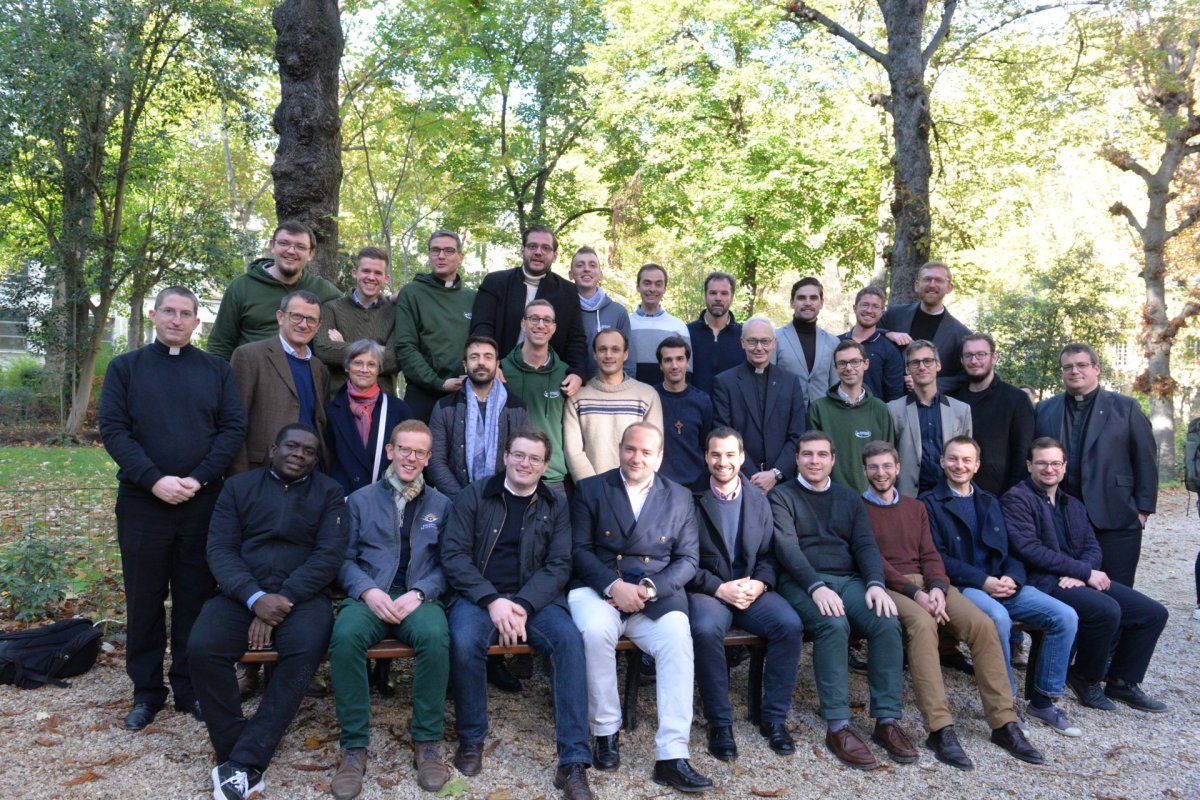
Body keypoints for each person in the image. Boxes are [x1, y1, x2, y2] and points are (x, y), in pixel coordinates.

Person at [98, 286, 247, 731]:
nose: (177, 320)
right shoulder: (126, 368)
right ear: (153, 315)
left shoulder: (217, 371)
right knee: (144, 600)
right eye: (169, 311)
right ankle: (146, 692)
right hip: (143, 502)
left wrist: (198, 478)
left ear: (197, 322)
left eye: (186, 314)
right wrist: (154, 479)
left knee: (194, 601)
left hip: (201, 504)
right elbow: (114, 429)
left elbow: (232, 428)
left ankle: (188, 688)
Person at [188, 424, 347, 800]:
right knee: (202, 648)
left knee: (305, 649)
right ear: (273, 448)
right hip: (240, 592)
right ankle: (239, 751)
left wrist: (282, 598)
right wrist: (255, 598)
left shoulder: (330, 493)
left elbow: (328, 556)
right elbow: (220, 550)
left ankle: (245, 758)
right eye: (292, 446)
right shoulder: (238, 488)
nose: (300, 454)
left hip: (303, 597)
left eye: (309, 451)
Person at [861, 441, 1043, 768]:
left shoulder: (915, 508)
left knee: (983, 625)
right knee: (923, 625)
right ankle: (940, 727)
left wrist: (937, 588)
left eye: (887, 465)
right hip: (889, 586)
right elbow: (872, 560)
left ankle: (1004, 722)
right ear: (864, 470)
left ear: (898, 468)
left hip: (930, 584)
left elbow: (931, 555)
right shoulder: (858, 508)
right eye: (873, 467)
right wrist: (916, 593)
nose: (881, 473)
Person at [440, 429, 594, 800]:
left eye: (535, 459)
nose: (526, 464)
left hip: (534, 601)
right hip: (478, 597)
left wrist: (523, 605)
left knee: (570, 642)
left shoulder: (555, 504)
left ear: (545, 465)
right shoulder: (474, 496)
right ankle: (472, 738)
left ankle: (572, 761)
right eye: (519, 455)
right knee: (463, 641)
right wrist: (492, 600)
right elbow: (454, 556)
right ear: (506, 457)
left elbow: (559, 565)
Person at [569, 423, 712, 793]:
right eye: (631, 449)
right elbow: (579, 550)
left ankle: (672, 755)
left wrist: (649, 589)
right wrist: (614, 585)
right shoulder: (591, 489)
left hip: (655, 593)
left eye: (647, 452)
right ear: (620, 448)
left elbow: (688, 559)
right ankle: (605, 732)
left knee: (679, 638)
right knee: (596, 632)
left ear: (660, 456)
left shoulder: (680, 496)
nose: (637, 458)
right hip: (599, 587)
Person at [769, 431, 916, 771]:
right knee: (832, 624)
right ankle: (837, 725)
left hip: (848, 580)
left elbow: (865, 545)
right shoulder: (782, 496)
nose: (814, 461)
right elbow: (787, 549)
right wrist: (815, 586)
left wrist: (876, 584)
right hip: (801, 582)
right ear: (797, 459)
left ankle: (886, 720)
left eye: (822, 455)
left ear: (833, 459)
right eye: (807, 455)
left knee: (885, 622)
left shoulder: (849, 499)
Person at [328, 420, 453, 798]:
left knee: (436, 637)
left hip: (418, 597)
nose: (410, 458)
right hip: (371, 594)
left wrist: (421, 591)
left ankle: (428, 743)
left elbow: (450, 563)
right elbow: (341, 558)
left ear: (429, 458)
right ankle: (353, 747)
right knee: (345, 636)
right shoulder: (360, 500)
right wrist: (366, 591)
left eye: (419, 452)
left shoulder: (442, 505)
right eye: (404, 449)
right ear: (390, 451)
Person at [921, 437, 1080, 733]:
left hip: (1004, 583)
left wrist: (1013, 577)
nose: (960, 465)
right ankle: (1004, 703)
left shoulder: (990, 501)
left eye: (967, 460)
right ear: (942, 462)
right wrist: (984, 581)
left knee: (1065, 615)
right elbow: (937, 557)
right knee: (997, 618)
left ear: (977, 465)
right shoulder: (928, 504)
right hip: (965, 586)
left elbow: (1011, 552)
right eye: (953, 459)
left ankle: (1043, 700)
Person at [1002, 437, 1169, 715]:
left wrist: (1084, 573)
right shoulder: (1016, 499)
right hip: (1043, 581)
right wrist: (1081, 571)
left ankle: (1121, 681)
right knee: (1105, 610)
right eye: (1042, 462)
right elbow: (1028, 549)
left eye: (1056, 463)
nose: (1049, 469)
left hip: (1075, 578)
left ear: (1065, 467)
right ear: (1029, 465)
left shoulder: (1072, 503)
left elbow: (1092, 546)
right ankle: (1084, 677)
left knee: (1151, 613)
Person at [689, 428, 803, 761]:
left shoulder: (759, 499)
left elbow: (768, 554)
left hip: (751, 590)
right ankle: (720, 723)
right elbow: (683, 561)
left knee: (789, 624)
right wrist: (718, 587)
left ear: (741, 458)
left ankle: (774, 719)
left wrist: (761, 584)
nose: (722, 462)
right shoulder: (690, 498)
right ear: (706, 457)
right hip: (709, 590)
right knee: (706, 629)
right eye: (715, 454)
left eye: (729, 455)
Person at [1034, 343, 1157, 587]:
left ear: (1096, 368)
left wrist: (1142, 512)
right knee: (1070, 591)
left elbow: (1146, 459)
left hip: (1115, 516)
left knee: (1117, 589)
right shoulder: (1045, 409)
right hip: (1061, 516)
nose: (1074, 371)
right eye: (1067, 367)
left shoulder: (1125, 407)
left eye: (1081, 365)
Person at [470, 225, 587, 391]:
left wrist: (577, 372)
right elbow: (482, 327)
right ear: (522, 250)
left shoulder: (567, 291)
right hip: (498, 376)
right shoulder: (496, 282)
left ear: (554, 255)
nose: (538, 252)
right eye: (532, 246)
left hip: (547, 381)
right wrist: (489, 363)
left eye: (546, 248)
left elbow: (576, 339)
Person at [229, 290, 331, 475]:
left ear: (318, 326)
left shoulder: (319, 368)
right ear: (280, 317)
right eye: (296, 316)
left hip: (309, 472)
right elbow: (234, 422)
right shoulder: (249, 356)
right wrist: (239, 479)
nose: (303, 324)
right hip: (261, 470)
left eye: (311, 319)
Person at [207, 221, 341, 361]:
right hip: (251, 374)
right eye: (284, 243)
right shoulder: (242, 287)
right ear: (272, 246)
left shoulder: (322, 290)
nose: (291, 251)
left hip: (300, 376)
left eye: (300, 247)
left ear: (311, 253)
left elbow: (355, 308)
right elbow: (219, 346)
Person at [712, 318, 807, 494]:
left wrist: (776, 473)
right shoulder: (725, 382)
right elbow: (724, 433)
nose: (759, 347)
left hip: (783, 482)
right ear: (742, 343)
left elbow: (797, 434)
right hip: (740, 480)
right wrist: (752, 475)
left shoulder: (790, 382)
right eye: (752, 341)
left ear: (774, 343)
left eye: (765, 341)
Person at [428, 336, 529, 498]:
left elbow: (523, 458)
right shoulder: (445, 407)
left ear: (497, 365)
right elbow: (435, 461)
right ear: (465, 365)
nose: (481, 362)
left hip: (503, 500)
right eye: (474, 357)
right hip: (456, 502)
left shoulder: (517, 407)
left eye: (488, 357)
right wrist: (462, 499)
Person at [394, 230, 476, 422]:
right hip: (422, 394)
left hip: (464, 394)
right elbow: (405, 346)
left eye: (448, 251)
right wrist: (438, 383)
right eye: (435, 250)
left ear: (460, 257)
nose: (441, 256)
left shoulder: (472, 298)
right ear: (429, 255)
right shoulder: (412, 293)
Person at [562, 329, 663, 481]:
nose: (608, 355)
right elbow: (573, 451)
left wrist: (635, 485)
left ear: (625, 354)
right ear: (595, 355)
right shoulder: (577, 397)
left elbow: (655, 447)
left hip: (635, 491)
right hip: (591, 493)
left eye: (615, 349)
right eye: (602, 349)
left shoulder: (647, 395)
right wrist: (593, 489)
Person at [949, 333, 1035, 497]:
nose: (974, 361)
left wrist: (1011, 495)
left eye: (981, 354)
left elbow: (1023, 453)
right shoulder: (952, 399)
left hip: (999, 495)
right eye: (968, 355)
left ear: (994, 357)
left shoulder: (1015, 399)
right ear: (961, 360)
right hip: (955, 493)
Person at [324, 339, 413, 496]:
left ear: (379, 369)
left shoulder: (398, 409)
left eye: (371, 364)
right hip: (343, 498)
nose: (364, 370)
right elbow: (325, 459)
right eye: (358, 363)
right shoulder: (330, 412)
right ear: (347, 367)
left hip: (385, 498)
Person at [805, 340, 893, 493]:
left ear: (866, 364)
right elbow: (812, 460)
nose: (849, 368)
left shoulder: (880, 409)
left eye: (855, 362)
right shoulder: (818, 408)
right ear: (835, 368)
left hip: (871, 498)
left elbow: (887, 460)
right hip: (831, 496)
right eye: (842, 363)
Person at [501, 299, 570, 493]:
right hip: (510, 473)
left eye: (547, 320)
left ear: (554, 328)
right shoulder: (501, 371)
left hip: (553, 476)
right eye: (534, 319)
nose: (540, 325)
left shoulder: (565, 374)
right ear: (523, 324)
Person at [887, 340, 971, 497]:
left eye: (928, 361)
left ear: (938, 365)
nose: (922, 367)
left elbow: (967, 456)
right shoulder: (892, 409)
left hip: (950, 494)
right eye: (915, 362)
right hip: (909, 496)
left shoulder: (961, 410)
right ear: (907, 369)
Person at [312, 247, 399, 396]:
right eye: (366, 271)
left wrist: (342, 345)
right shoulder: (330, 308)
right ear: (354, 273)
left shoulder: (396, 313)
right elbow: (323, 350)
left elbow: (395, 360)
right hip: (338, 400)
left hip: (383, 401)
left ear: (386, 278)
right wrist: (377, 349)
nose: (371, 277)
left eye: (378, 273)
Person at [879, 261, 972, 393]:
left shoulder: (961, 334)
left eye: (939, 280)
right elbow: (864, 335)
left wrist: (931, 384)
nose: (932, 284)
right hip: (887, 402)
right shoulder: (894, 315)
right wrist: (888, 334)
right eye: (927, 279)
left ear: (949, 288)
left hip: (931, 407)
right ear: (917, 285)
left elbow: (965, 376)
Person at [654, 336, 713, 487]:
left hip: (696, 485)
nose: (674, 365)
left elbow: (707, 444)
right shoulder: (650, 397)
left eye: (680, 359)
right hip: (659, 484)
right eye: (668, 360)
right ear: (660, 365)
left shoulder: (702, 401)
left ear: (687, 363)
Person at [774, 277, 839, 404]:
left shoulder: (832, 342)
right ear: (792, 302)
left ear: (821, 303)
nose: (808, 303)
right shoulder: (775, 338)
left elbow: (836, 386)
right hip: (786, 415)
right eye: (801, 298)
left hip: (822, 417)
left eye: (813, 298)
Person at [569, 246, 631, 379]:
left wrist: (627, 390)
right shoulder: (563, 309)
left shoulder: (618, 312)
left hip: (611, 389)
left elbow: (628, 358)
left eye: (592, 265)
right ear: (571, 274)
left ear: (600, 275)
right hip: (572, 387)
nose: (586, 269)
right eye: (580, 265)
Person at [627, 263, 690, 386]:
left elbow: (687, 372)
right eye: (647, 283)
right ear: (637, 287)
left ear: (665, 288)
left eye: (658, 284)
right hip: (632, 397)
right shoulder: (626, 323)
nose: (652, 289)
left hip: (668, 398)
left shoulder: (678, 326)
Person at [840, 286, 904, 402]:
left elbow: (895, 395)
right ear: (855, 308)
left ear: (882, 312)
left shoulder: (889, 350)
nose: (869, 310)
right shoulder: (836, 343)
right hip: (836, 414)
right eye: (865, 305)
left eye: (875, 306)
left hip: (874, 417)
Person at [686, 272, 743, 395]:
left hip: (733, 411)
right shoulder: (687, 333)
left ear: (732, 297)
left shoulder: (744, 335)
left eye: (724, 293)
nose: (718, 298)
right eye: (713, 293)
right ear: (705, 296)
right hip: (696, 410)